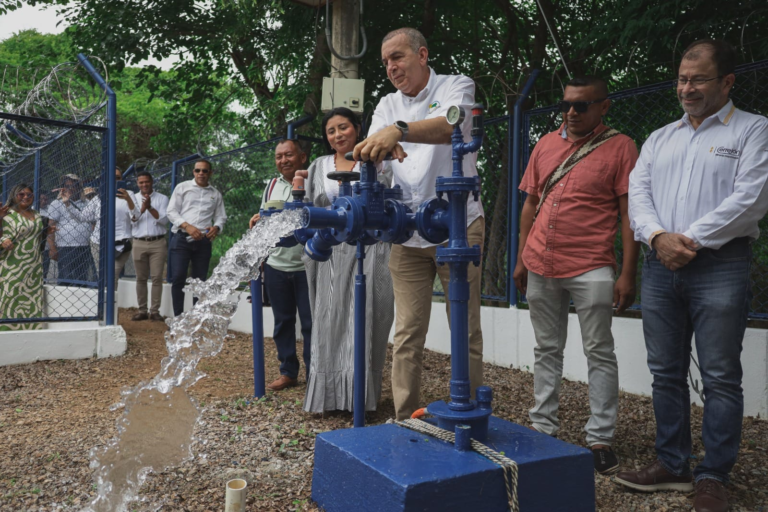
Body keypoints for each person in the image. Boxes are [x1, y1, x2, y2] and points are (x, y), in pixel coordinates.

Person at [617, 40, 768, 512]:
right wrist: (659, 237)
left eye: (698, 79)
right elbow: (637, 194)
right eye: (683, 79)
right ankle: (672, 463)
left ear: (727, 82)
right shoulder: (661, 137)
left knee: (721, 375)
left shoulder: (754, 130)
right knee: (665, 372)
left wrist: (689, 240)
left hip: (721, 264)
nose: (687, 88)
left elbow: (751, 198)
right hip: (660, 265)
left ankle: (713, 475)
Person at [352, 27, 485, 421]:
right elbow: (373, 151)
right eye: (386, 62)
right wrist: (381, 143)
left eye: (398, 57)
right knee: (408, 331)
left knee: (465, 328)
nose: (391, 67)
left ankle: (474, 411)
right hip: (406, 229)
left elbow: (451, 127)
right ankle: (409, 415)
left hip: (459, 223)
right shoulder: (386, 103)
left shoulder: (456, 85)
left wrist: (401, 131)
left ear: (422, 54)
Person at [512, 75, 640, 474]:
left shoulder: (621, 147)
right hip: (540, 263)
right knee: (546, 348)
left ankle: (600, 437)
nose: (571, 112)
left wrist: (627, 273)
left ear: (604, 106)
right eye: (566, 104)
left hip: (592, 264)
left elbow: (628, 214)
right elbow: (530, 205)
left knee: (599, 351)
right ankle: (542, 428)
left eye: (582, 105)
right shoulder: (546, 145)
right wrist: (519, 258)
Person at [301, 109, 394, 412]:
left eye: (343, 127)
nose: (338, 135)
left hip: (371, 251)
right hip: (329, 253)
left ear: (357, 129)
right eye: (331, 131)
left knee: (368, 318)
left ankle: (361, 398)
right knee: (328, 322)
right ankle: (328, 397)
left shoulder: (377, 161)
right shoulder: (318, 167)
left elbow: (390, 202)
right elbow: (305, 208)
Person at [248, 139, 313, 391]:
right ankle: (288, 372)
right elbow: (264, 217)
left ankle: (314, 372)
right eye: (278, 156)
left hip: (307, 264)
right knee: (283, 321)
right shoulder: (271, 185)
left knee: (309, 323)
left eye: (288, 155)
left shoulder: (312, 181)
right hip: (276, 265)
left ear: (302, 157)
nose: (283, 160)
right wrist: (256, 218)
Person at [60, 167, 140, 290]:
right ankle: (103, 305)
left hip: (121, 242)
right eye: (111, 178)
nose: (115, 180)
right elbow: (82, 217)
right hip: (99, 242)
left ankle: (109, 306)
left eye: (118, 178)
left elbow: (135, 218)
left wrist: (128, 200)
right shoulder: (99, 197)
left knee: (112, 276)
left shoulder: (129, 195)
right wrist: (67, 204)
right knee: (102, 276)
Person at [166, 159, 227, 316]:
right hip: (181, 239)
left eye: (204, 171)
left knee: (200, 281)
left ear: (210, 173)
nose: (201, 173)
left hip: (203, 241)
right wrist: (187, 226)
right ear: (193, 172)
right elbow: (171, 212)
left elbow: (221, 217)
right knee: (179, 277)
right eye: (197, 170)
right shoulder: (182, 188)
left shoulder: (215, 194)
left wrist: (217, 227)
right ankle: (178, 317)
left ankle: (196, 318)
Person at [0, 184, 51, 330]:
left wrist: (47, 231)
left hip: (33, 266)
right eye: (21, 194)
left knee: (32, 298)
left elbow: (34, 235)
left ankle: (31, 331)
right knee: (11, 297)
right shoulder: (6, 213)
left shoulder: (37, 214)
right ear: (14, 196)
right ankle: (6, 331)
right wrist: (2, 240)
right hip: (12, 265)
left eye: (29, 194)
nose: (25, 197)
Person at [131, 171, 170, 321]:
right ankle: (142, 310)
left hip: (158, 242)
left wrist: (150, 208)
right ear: (137, 184)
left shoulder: (162, 198)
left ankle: (154, 311)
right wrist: (142, 208)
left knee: (156, 278)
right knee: (140, 278)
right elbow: (131, 220)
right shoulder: (133, 198)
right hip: (138, 242)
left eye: (147, 182)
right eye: (141, 182)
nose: (144, 185)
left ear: (152, 182)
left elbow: (164, 220)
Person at [46, 174, 96, 285]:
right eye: (67, 186)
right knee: (66, 278)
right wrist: (52, 248)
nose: (71, 188)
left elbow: (94, 223)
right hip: (65, 248)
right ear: (62, 188)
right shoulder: (56, 204)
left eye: (74, 185)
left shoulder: (87, 203)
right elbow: (50, 227)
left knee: (82, 278)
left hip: (85, 247)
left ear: (79, 187)